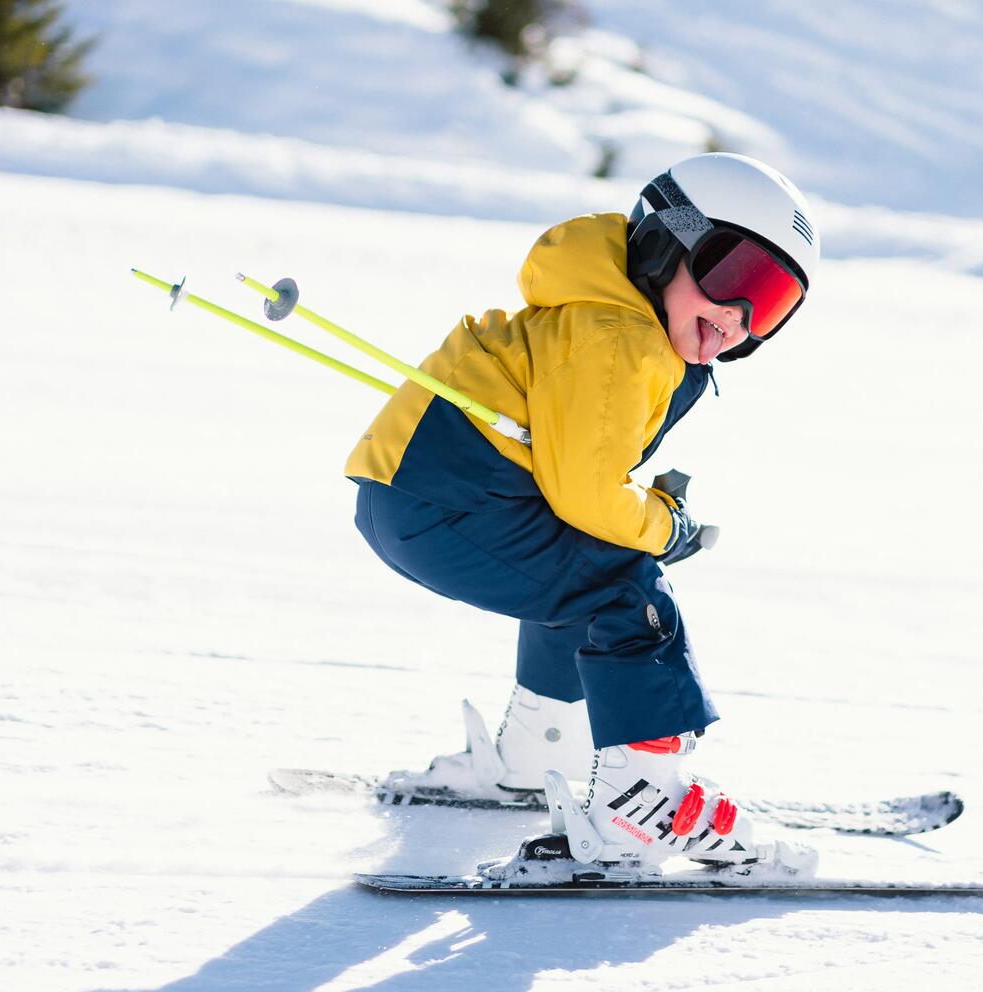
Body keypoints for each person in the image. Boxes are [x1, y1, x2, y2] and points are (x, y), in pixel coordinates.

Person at [346, 152, 819, 866]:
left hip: (423, 493)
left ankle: (536, 756)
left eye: (772, 303)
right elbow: (590, 496)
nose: (738, 315)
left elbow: (578, 485)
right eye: (734, 277)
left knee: (583, 571)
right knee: (628, 591)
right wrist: (666, 526)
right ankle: (641, 805)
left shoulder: (615, 317)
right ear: (669, 240)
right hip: (447, 500)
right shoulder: (619, 336)